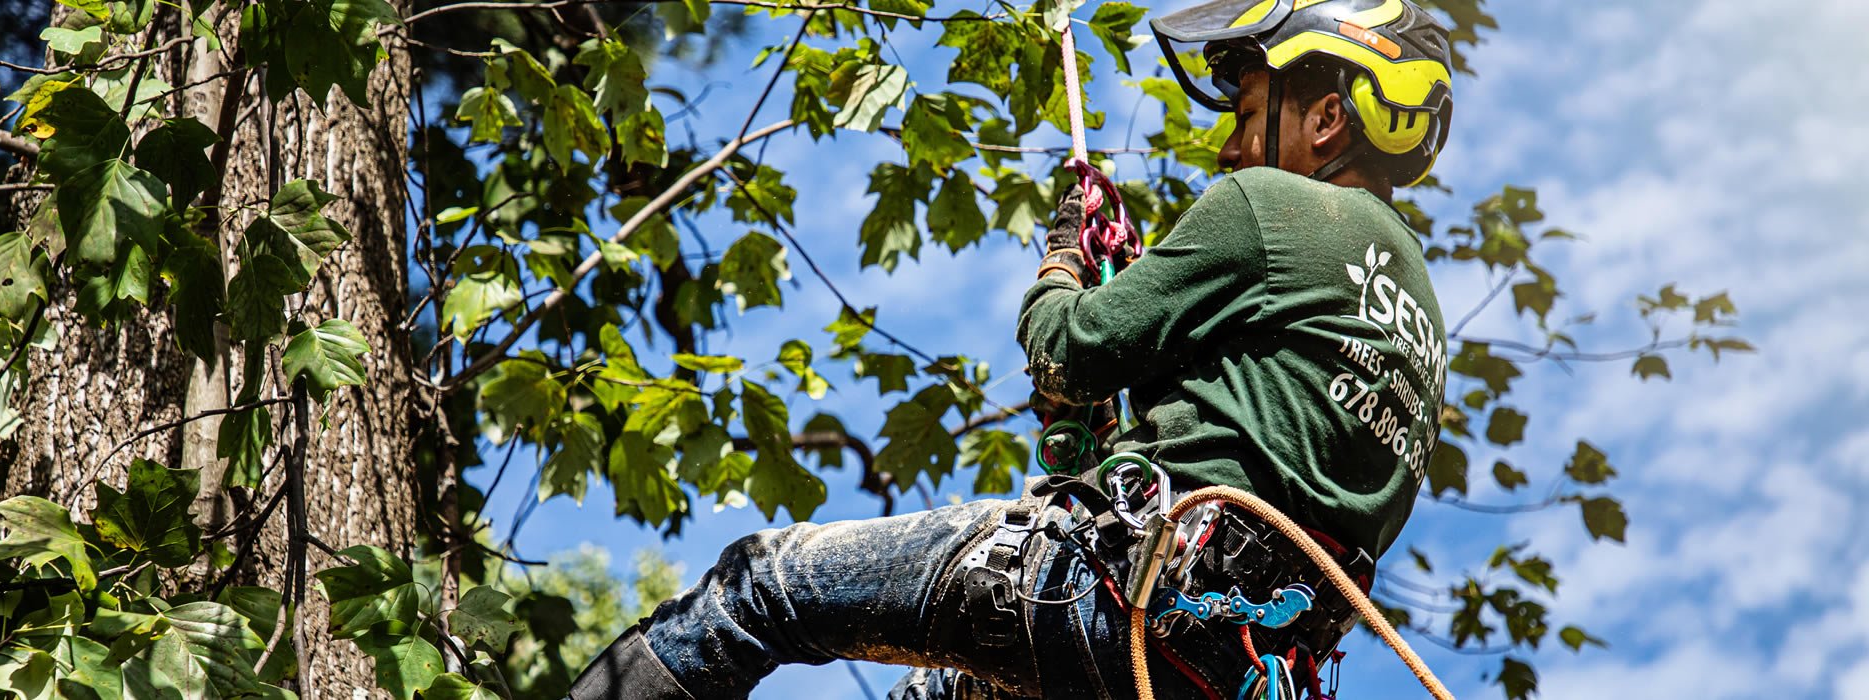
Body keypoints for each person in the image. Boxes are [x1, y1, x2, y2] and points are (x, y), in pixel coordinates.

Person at [569, 0, 1455, 697]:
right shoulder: (1419, 320)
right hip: (1234, 668)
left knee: (757, 590)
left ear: (1329, 115)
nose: (1229, 144)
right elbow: (1248, 446)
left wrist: (1064, 264)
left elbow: (1070, 347)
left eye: (1252, 109)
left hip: (1117, 595)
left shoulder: (1270, 206)